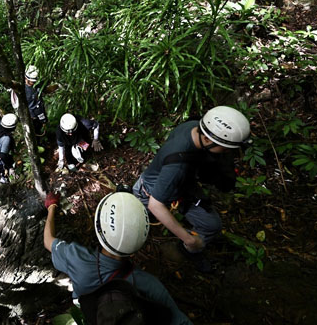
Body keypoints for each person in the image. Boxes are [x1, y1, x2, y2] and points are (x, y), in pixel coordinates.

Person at [43, 191, 192, 325]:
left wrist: (51, 207)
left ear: (98, 230)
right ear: (134, 251)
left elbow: (48, 241)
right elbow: (179, 320)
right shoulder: (150, 285)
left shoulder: (76, 257)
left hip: (89, 310)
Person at [132, 106, 251, 272]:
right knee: (210, 227)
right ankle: (189, 249)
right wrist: (188, 239)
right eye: (225, 148)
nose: (226, 152)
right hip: (151, 192)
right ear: (208, 140)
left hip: (179, 184)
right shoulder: (177, 166)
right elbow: (155, 204)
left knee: (211, 225)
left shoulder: (194, 126)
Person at [0, 113, 18, 184]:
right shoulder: (6, 138)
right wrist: (10, 167)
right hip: (0, 160)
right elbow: (3, 156)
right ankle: (5, 179)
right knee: (6, 174)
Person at [24, 65, 48, 136]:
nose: (34, 84)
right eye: (32, 82)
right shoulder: (23, 90)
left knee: (40, 129)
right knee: (34, 133)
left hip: (39, 111)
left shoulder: (37, 85)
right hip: (32, 116)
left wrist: (43, 118)